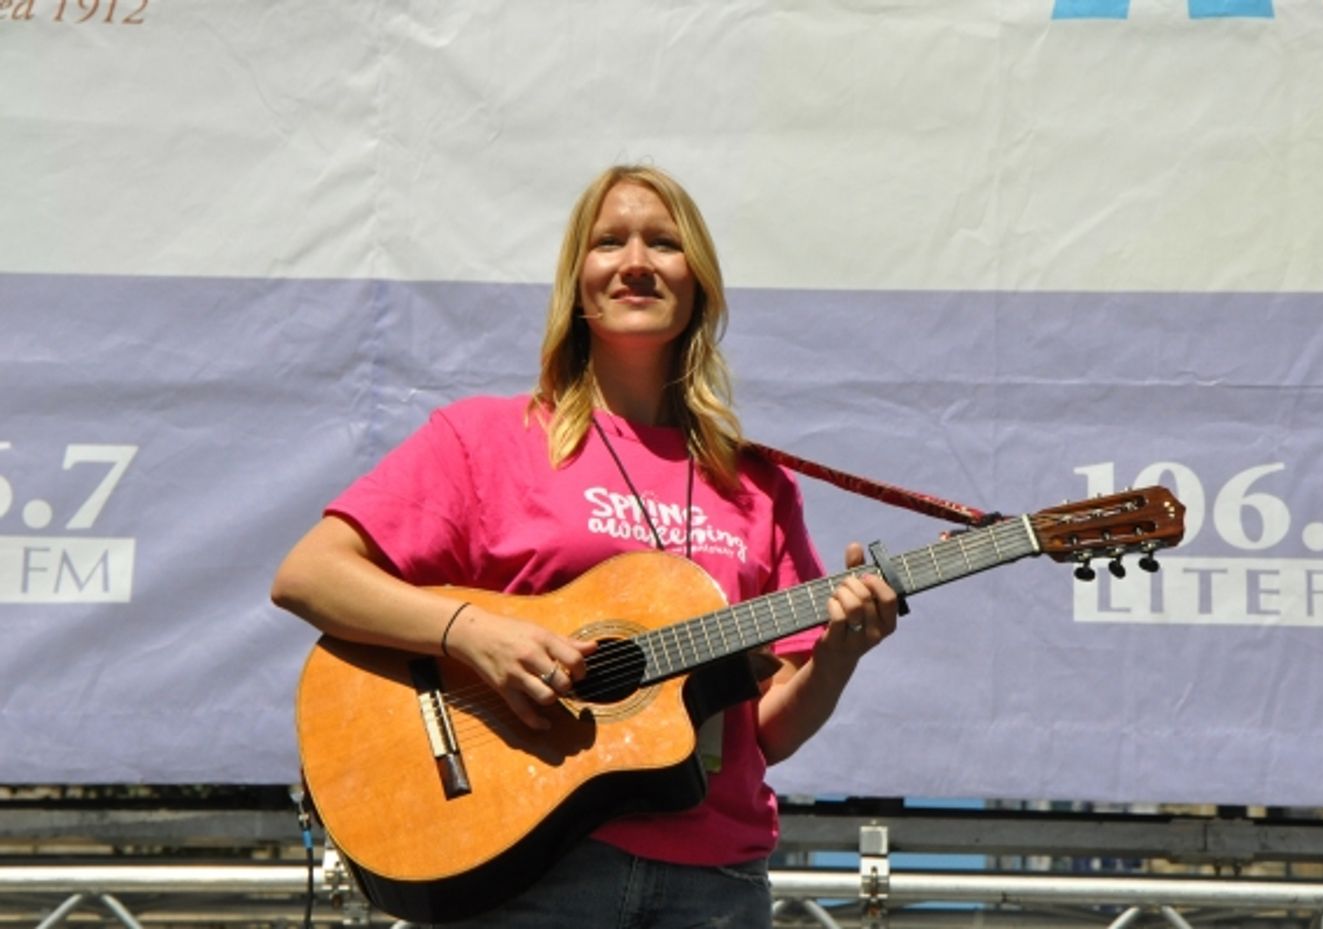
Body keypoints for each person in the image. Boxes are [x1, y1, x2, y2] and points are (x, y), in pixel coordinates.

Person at [271, 164, 900, 927]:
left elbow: (766, 731)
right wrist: (472, 633)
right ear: (577, 280)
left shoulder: (756, 486)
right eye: (609, 242)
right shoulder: (487, 439)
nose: (635, 262)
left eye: (663, 242)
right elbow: (310, 574)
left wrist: (837, 658)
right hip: (532, 868)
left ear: (699, 281)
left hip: (716, 881)